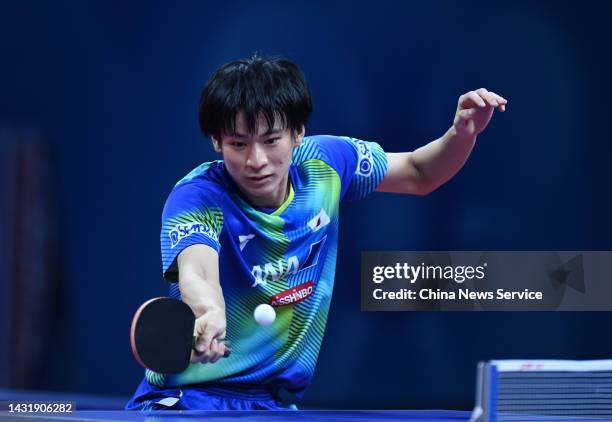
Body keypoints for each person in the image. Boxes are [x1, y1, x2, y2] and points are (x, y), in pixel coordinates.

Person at [126, 54, 507, 410]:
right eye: (238, 144)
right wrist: (208, 311)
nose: (256, 160)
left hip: (274, 405)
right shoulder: (197, 196)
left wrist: (462, 134)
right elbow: (198, 271)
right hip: (189, 399)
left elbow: (420, 173)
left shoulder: (326, 165)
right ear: (216, 142)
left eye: (271, 140)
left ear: (297, 134)